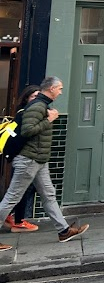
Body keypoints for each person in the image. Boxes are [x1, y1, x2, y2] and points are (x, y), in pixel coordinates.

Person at [0, 76, 89, 251]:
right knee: (11, 198)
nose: (61, 92)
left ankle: (63, 231)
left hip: (39, 160)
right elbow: (28, 130)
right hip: (29, 160)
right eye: (60, 88)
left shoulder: (43, 105)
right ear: (51, 89)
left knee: (48, 195)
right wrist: (49, 119)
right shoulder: (38, 106)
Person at [3, 85, 42, 233]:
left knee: (26, 189)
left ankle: (13, 217)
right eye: (33, 96)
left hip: (31, 157)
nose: (36, 100)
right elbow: (26, 134)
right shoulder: (24, 114)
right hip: (25, 157)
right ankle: (17, 221)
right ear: (26, 98)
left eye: (38, 97)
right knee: (20, 190)